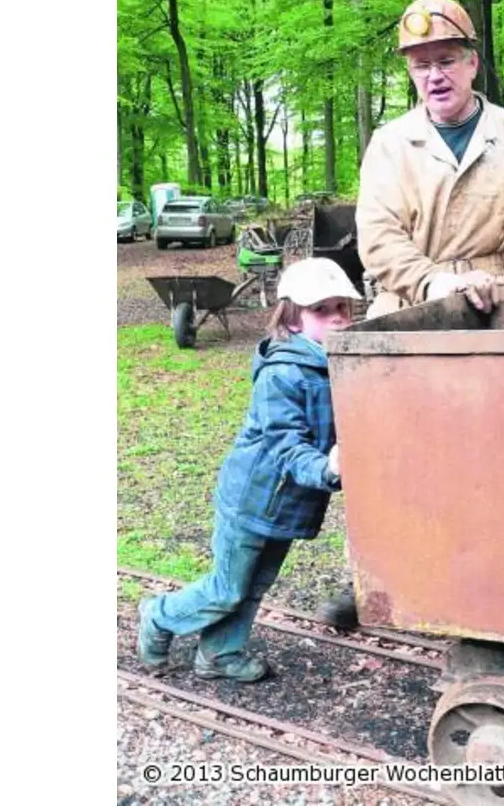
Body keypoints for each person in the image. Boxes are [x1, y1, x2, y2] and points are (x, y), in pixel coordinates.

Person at [314, 0, 504, 629]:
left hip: (499, 304)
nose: (434, 75)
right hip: (409, 306)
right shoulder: (391, 145)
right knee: (391, 451)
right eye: (420, 65)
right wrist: (432, 279)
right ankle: (376, 579)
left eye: (446, 60)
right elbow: (378, 239)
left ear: (472, 64)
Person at [136, 258, 362, 681]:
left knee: (253, 586)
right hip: (251, 500)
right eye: (322, 310)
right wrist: (328, 467)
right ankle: (159, 615)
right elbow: (284, 446)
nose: (337, 318)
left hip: (289, 504)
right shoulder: (283, 374)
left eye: (343, 308)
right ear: (293, 320)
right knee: (226, 588)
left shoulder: (336, 364)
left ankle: (219, 653)